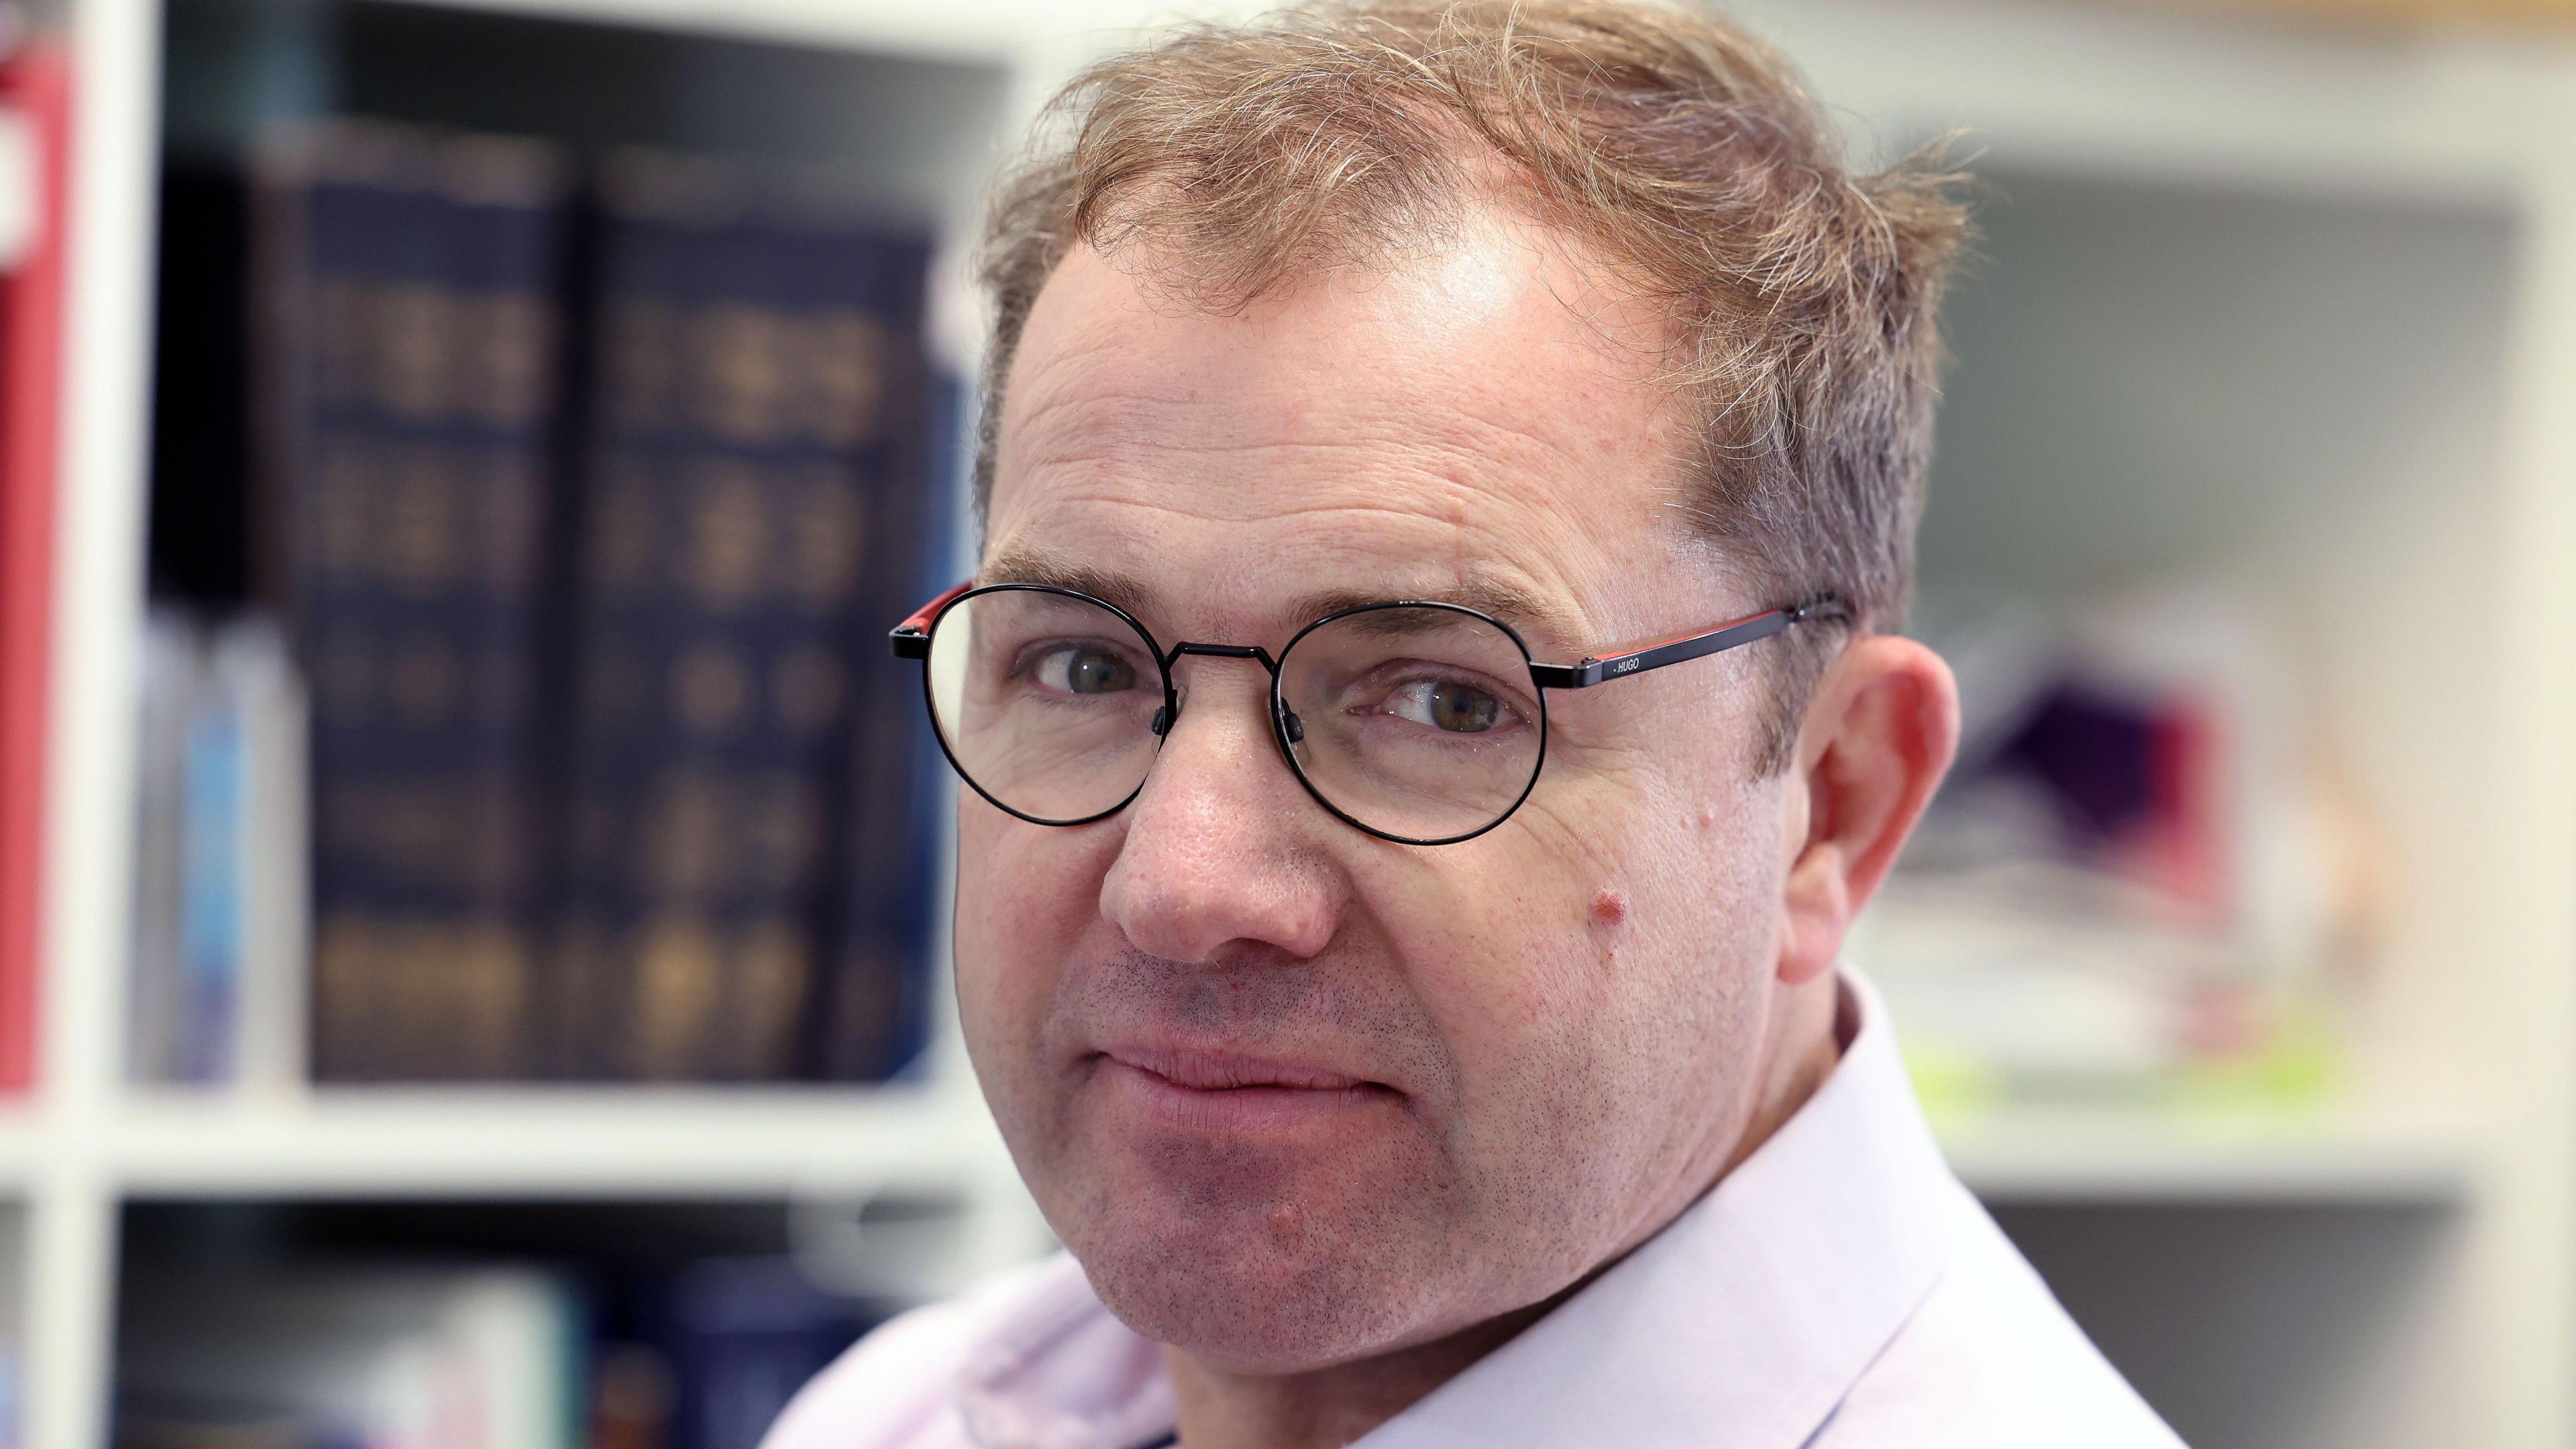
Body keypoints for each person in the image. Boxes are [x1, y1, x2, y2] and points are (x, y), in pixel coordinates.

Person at [766, 3, 2186, 1445]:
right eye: (1081, 668)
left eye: (1445, 701)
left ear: (1834, 803)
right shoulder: (893, 1419)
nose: (1183, 887)